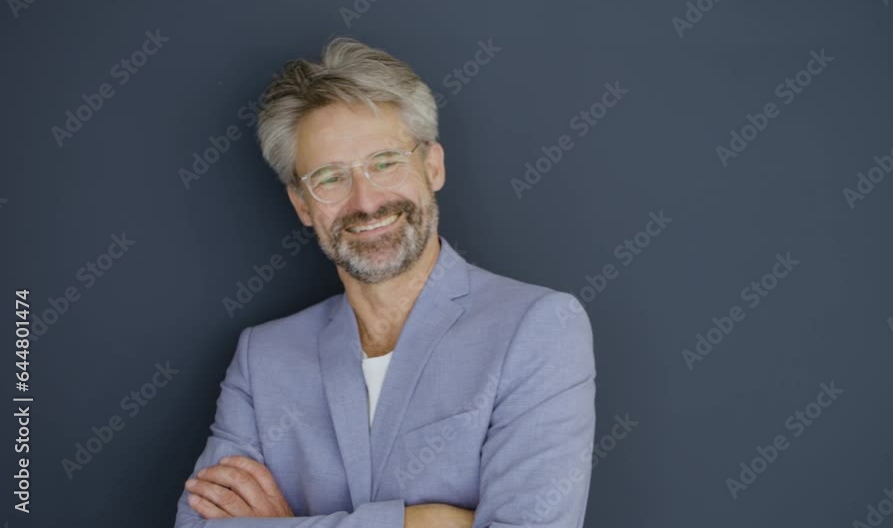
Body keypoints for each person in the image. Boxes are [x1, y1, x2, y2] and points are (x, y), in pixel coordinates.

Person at [173, 36, 597, 528]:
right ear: (302, 204)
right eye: (330, 178)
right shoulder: (262, 360)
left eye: (386, 162)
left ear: (432, 166)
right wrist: (426, 522)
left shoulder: (539, 328)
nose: (366, 201)